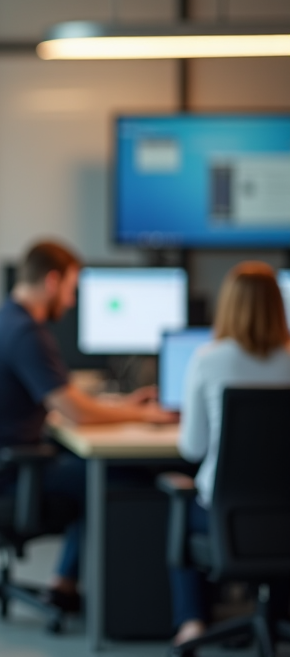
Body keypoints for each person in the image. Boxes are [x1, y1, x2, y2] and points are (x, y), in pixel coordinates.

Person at [0, 241, 176, 611]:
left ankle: (65, 583)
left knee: (95, 474)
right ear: (52, 280)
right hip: (15, 472)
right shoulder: (25, 332)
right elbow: (76, 412)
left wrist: (123, 405)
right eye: (70, 289)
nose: (71, 301)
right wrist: (143, 415)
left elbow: (65, 400)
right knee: (123, 479)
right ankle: (130, 604)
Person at [170, 261, 290, 648]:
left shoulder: (208, 359)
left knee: (184, 507)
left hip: (225, 519)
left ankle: (192, 622)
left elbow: (193, 448)